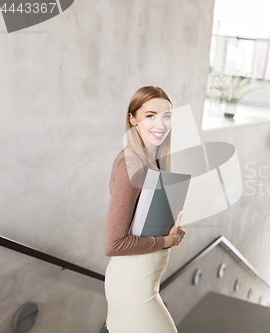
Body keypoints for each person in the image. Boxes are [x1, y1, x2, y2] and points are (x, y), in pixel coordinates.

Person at [103, 86, 186, 333]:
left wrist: (173, 235)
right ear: (133, 119)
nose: (160, 123)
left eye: (166, 115)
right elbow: (113, 244)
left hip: (145, 282)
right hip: (133, 286)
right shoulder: (131, 163)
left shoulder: (152, 161)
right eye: (150, 115)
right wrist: (166, 240)